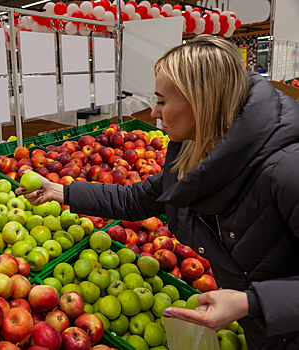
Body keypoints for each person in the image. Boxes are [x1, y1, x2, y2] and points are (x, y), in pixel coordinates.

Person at [16, 35, 299, 349]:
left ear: (199, 101)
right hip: (265, 333)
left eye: (162, 100)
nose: (153, 113)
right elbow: (137, 199)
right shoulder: (195, 154)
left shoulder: (288, 170)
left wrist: (252, 302)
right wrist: (63, 191)